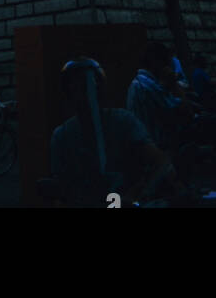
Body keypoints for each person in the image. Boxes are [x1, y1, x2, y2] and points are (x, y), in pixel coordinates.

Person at [49, 58, 184, 208]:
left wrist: (135, 196)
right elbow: (60, 188)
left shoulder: (123, 121)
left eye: (88, 89)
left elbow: (160, 161)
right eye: (76, 89)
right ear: (68, 93)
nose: (85, 96)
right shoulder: (63, 136)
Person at [126, 42, 188, 150]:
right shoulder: (150, 86)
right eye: (167, 63)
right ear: (157, 62)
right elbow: (185, 113)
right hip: (161, 149)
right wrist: (174, 84)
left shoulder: (138, 83)